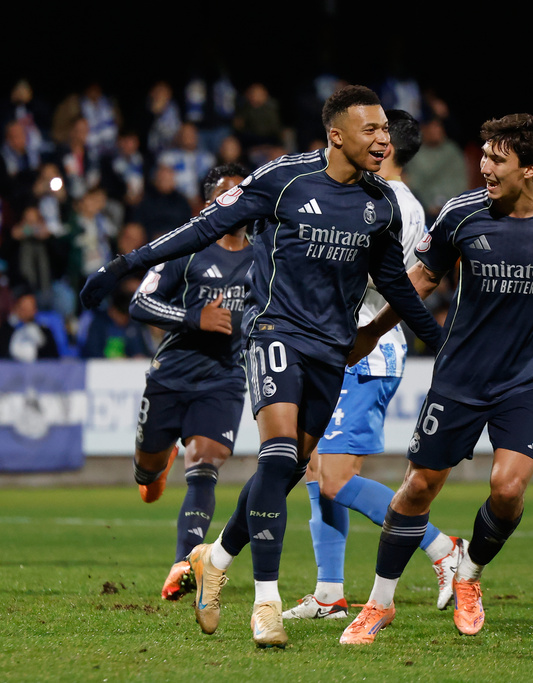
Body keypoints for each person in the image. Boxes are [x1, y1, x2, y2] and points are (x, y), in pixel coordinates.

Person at [79, 84, 444, 649]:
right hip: (273, 333)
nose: (383, 139)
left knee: (287, 470)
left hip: (332, 351)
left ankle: (216, 557)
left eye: (384, 131)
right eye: (371, 129)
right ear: (336, 135)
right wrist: (123, 266)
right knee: (276, 457)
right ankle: (266, 603)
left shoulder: (381, 204)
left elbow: (395, 282)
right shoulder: (283, 179)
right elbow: (201, 227)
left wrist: (439, 340)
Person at [339, 113, 533, 644]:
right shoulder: (461, 214)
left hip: (528, 380)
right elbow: (420, 277)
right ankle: (379, 604)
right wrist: (374, 330)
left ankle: (469, 573)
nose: (484, 167)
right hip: (460, 378)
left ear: (530, 168)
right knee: (419, 486)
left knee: (508, 489)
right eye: (485, 155)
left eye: (497, 159)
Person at [284, 110, 465, 622]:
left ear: (387, 149)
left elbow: (392, 283)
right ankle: (328, 594)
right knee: (317, 472)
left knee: (337, 478)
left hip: (369, 350)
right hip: (344, 349)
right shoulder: (379, 198)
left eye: (377, 135)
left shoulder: (395, 206)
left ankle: (442, 548)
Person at [126, 163, 251, 601]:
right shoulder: (188, 250)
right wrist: (194, 318)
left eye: (242, 194)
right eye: (225, 194)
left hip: (223, 379)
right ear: (209, 203)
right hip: (172, 375)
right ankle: (154, 470)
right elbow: (140, 302)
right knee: (147, 469)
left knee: (206, 463)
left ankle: (183, 563)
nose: (234, 202)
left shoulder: (266, 257)